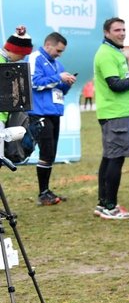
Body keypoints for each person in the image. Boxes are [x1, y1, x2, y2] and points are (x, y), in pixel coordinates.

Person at [93, 17, 129, 218]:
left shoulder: (115, 52)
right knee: (115, 159)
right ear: (107, 33)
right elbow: (115, 84)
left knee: (109, 158)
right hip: (114, 114)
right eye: (117, 30)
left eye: (123, 29)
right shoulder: (106, 54)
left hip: (117, 113)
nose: (122, 33)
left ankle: (103, 203)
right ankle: (110, 206)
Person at [27, 33, 76, 205]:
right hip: (39, 112)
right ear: (48, 44)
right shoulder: (36, 58)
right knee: (46, 151)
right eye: (58, 50)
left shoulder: (58, 64)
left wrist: (67, 83)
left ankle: (46, 191)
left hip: (54, 112)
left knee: (51, 153)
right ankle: (42, 194)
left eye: (61, 52)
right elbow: (34, 83)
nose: (59, 54)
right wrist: (58, 78)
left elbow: (59, 90)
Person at [0, 26, 33, 125]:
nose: (23, 57)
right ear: (15, 50)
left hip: (4, 116)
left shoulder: (6, 62)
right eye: (23, 54)